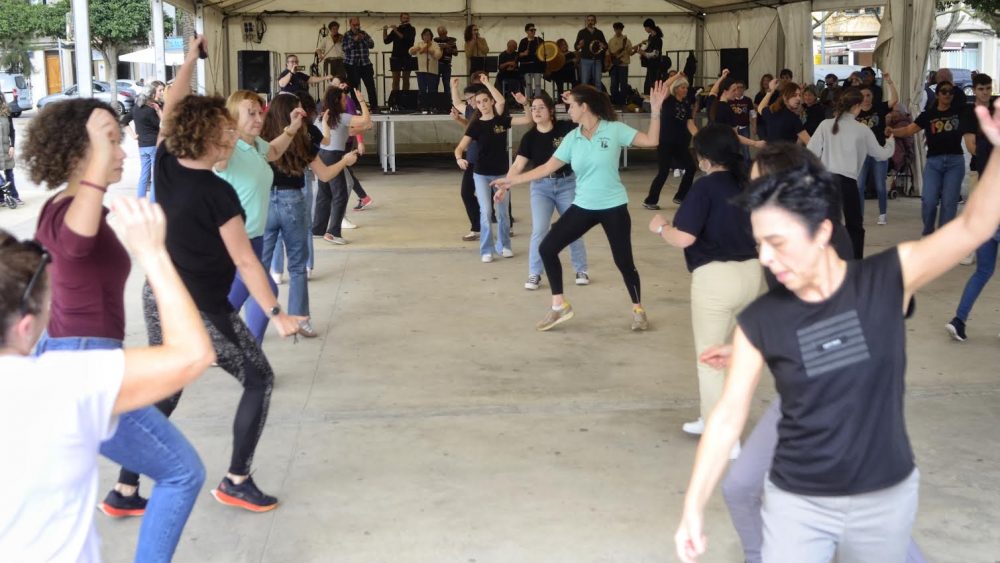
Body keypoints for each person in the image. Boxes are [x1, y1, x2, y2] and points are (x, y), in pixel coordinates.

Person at [675, 116, 1000, 559]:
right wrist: (692, 506)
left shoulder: (885, 279)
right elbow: (728, 416)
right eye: (760, 244)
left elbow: (972, 227)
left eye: (778, 242)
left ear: (823, 231)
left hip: (884, 495)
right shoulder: (761, 320)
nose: (767, 258)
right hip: (798, 499)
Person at [22, 99, 206, 561]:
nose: (123, 150)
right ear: (80, 151)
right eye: (110, 141)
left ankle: (123, 494)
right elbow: (76, 244)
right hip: (85, 365)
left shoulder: (67, 209)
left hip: (83, 359)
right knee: (183, 472)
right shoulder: (69, 212)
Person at [0, 197, 215, 561]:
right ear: (23, 328)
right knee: (182, 472)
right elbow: (193, 356)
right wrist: (153, 253)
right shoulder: (62, 383)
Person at [148, 36, 303, 512]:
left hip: (158, 297)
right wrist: (276, 312)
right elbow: (246, 262)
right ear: (209, 138)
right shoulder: (218, 195)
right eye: (226, 132)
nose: (234, 136)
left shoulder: (165, 164)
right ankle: (236, 479)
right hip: (201, 309)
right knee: (259, 379)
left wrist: (192, 59)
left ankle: (126, 486)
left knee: (168, 385)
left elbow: (173, 105)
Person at [492, 82, 669, 331]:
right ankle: (559, 306)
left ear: (584, 106)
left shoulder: (614, 129)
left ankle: (638, 309)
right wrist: (510, 182)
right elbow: (545, 168)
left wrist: (657, 110)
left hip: (613, 206)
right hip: (583, 205)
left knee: (624, 261)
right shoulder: (572, 138)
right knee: (547, 247)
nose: (569, 110)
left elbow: (651, 141)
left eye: (571, 105)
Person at [647, 124, 761, 444]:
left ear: (706, 158)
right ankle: (709, 416)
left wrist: (660, 228)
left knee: (711, 360)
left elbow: (684, 237)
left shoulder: (704, 187)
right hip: (752, 275)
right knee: (737, 358)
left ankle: (724, 434)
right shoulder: (748, 183)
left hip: (716, 280)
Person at [260, 92, 357, 338]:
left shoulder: (260, 136)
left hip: (263, 204)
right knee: (296, 266)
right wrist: (344, 160)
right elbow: (324, 175)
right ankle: (301, 320)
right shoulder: (302, 138)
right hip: (293, 200)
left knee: (257, 268)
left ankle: (255, 324)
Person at [213, 90, 302, 344]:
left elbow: (273, 151)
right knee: (266, 291)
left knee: (238, 298)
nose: (258, 117)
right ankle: (246, 354)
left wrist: (292, 129)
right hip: (231, 240)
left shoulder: (255, 145)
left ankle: (220, 342)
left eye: (259, 112)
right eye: (249, 113)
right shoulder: (229, 148)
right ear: (232, 118)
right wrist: (227, 132)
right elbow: (218, 161)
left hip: (255, 237)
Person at [507, 91, 589, 290]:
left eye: (541, 107)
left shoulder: (566, 128)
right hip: (541, 187)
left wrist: (573, 101)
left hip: (566, 184)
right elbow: (518, 166)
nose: (536, 111)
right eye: (533, 108)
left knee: (573, 227)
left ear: (551, 111)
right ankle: (535, 273)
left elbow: (589, 120)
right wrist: (504, 184)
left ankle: (581, 269)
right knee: (539, 230)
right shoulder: (529, 138)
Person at [807, 87, 895, 259]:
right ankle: (854, 264)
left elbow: (810, 152)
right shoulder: (862, 129)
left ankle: (823, 262)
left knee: (826, 225)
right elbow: (881, 154)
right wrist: (891, 141)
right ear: (856, 106)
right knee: (855, 226)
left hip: (826, 181)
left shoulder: (825, 125)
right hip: (847, 182)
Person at [946, 72, 998, 342]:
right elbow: (971, 145)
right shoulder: (972, 115)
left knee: (984, 270)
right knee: (983, 269)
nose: (986, 92)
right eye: (981, 88)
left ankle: (959, 319)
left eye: (988, 88)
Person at [890, 81, 970, 235]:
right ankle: (928, 232)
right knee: (929, 200)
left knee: (949, 202)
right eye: (944, 91)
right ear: (938, 94)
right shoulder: (928, 115)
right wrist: (892, 131)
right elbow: (908, 130)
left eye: (950, 92)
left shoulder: (959, 111)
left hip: (955, 161)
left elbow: (967, 102)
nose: (948, 94)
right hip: (934, 162)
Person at [454, 80, 514, 262]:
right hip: (480, 172)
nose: (482, 105)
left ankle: (504, 245)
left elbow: (507, 105)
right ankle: (486, 249)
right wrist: (459, 158)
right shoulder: (475, 125)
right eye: (478, 102)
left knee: (503, 212)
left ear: (491, 102)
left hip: (502, 173)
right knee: (486, 211)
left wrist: (487, 84)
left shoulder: (502, 120)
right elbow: (459, 148)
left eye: (485, 101)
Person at [313, 85, 370, 244]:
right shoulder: (341, 116)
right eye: (344, 99)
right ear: (337, 100)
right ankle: (333, 232)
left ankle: (317, 229)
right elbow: (365, 119)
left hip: (321, 155)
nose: (346, 102)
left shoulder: (321, 117)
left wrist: (363, 127)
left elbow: (347, 131)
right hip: (334, 156)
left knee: (324, 194)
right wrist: (362, 101)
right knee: (340, 194)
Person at [644, 72, 698, 209]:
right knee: (663, 171)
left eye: (686, 87)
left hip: (680, 143)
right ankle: (650, 201)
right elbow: (665, 85)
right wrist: (677, 76)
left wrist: (699, 137)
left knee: (691, 167)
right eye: (682, 87)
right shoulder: (667, 100)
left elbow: (689, 123)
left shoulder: (685, 104)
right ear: (676, 89)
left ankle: (681, 196)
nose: (685, 90)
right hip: (665, 142)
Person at [856, 72, 899, 225]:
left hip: (879, 152)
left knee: (880, 185)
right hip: (861, 153)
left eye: (868, 95)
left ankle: (882, 214)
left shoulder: (879, 108)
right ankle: (859, 215)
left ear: (872, 96)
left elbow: (894, 100)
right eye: (863, 95)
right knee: (859, 186)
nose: (866, 98)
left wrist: (890, 82)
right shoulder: (854, 112)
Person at [129, 81, 165, 201]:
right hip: (153, 144)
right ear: (150, 96)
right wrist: (158, 110)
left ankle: (140, 200)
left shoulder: (135, 109)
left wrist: (133, 135)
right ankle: (153, 202)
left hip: (142, 146)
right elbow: (162, 123)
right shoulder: (151, 110)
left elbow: (123, 121)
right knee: (156, 176)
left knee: (144, 175)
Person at [757, 79, 810, 145]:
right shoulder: (793, 119)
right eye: (794, 95)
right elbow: (809, 143)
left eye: (799, 95)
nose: (798, 98)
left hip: (772, 153)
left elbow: (760, 108)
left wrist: (771, 90)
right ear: (785, 97)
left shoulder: (772, 111)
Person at [343, 17, 378, 108]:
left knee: (370, 86)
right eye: (354, 25)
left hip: (365, 64)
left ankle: (374, 107)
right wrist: (354, 41)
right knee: (354, 88)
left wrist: (364, 39)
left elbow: (372, 45)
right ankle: (356, 107)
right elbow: (344, 48)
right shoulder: (346, 35)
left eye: (358, 24)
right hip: (352, 65)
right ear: (350, 24)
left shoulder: (364, 34)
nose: (356, 27)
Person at [383, 12, 416, 94]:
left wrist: (395, 30)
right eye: (404, 18)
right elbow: (386, 41)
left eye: (407, 18)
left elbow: (404, 38)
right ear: (401, 19)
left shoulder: (411, 29)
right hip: (396, 57)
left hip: (407, 57)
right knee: (395, 80)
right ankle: (395, 100)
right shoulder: (397, 29)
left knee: (406, 79)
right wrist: (385, 30)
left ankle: (405, 99)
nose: (406, 19)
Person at [575, 15, 607, 88]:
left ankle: (598, 99)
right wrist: (580, 45)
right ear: (586, 22)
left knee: (598, 82)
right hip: (585, 60)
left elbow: (606, 46)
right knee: (585, 82)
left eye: (592, 20)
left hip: (597, 60)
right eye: (588, 20)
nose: (590, 22)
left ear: (595, 22)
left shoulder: (599, 33)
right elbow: (576, 47)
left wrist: (603, 45)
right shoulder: (581, 32)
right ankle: (585, 99)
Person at [409, 28, 443, 95]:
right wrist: (415, 49)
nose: (426, 36)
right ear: (422, 36)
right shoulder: (419, 44)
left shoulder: (435, 44)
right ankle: (423, 105)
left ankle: (431, 105)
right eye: (425, 35)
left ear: (431, 36)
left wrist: (430, 51)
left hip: (432, 71)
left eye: (428, 35)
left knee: (432, 90)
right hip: (421, 71)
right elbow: (410, 51)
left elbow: (438, 56)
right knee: (422, 90)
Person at [607, 22, 633, 106]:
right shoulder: (611, 41)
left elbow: (630, 52)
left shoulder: (627, 41)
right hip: (613, 66)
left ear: (622, 29)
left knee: (623, 84)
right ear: (614, 29)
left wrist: (633, 50)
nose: (618, 31)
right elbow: (608, 53)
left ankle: (622, 102)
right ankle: (615, 101)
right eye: (616, 29)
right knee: (613, 85)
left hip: (623, 65)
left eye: (619, 29)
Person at [638, 19, 665, 95]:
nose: (645, 29)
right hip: (650, 65)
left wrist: (644, 53)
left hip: (655, 66)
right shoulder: (650, 37)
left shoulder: (658, 40)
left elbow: (655, 54)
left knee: (653, 84)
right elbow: (648, 48)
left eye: (645, 27)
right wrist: (642, 53)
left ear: (649, 27)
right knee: (648, 84)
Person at [518, 24, 544, 99]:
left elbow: (544, 51)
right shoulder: (523, 41)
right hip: (527, 66)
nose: (533, 32)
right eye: (531, 30)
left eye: (534, 30)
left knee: (538, 84)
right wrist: (523, 53)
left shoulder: (539, 40)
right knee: (528, 84)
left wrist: (541, 53)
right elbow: (518, 54)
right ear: (526, 31)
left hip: (537, 66)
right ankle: (529, 100)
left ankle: (537, 100)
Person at [0, 93, 17, 204]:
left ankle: (14, 196)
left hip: (6, 148)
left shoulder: (7, 113)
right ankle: (1, 198)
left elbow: (12, 131)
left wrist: (12, 146)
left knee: (9, 173)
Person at [434, 26, 458, 92]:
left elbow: (456, 53)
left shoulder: (451, 41)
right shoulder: (435, 40)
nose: (441, 36)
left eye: (443, 34)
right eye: (440, 34)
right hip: (436, 64)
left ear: (446, 32)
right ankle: (434, 100)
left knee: (446, 84)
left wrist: (449, 48)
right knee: (435, 84)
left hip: (447, 64)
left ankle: (448, 100)